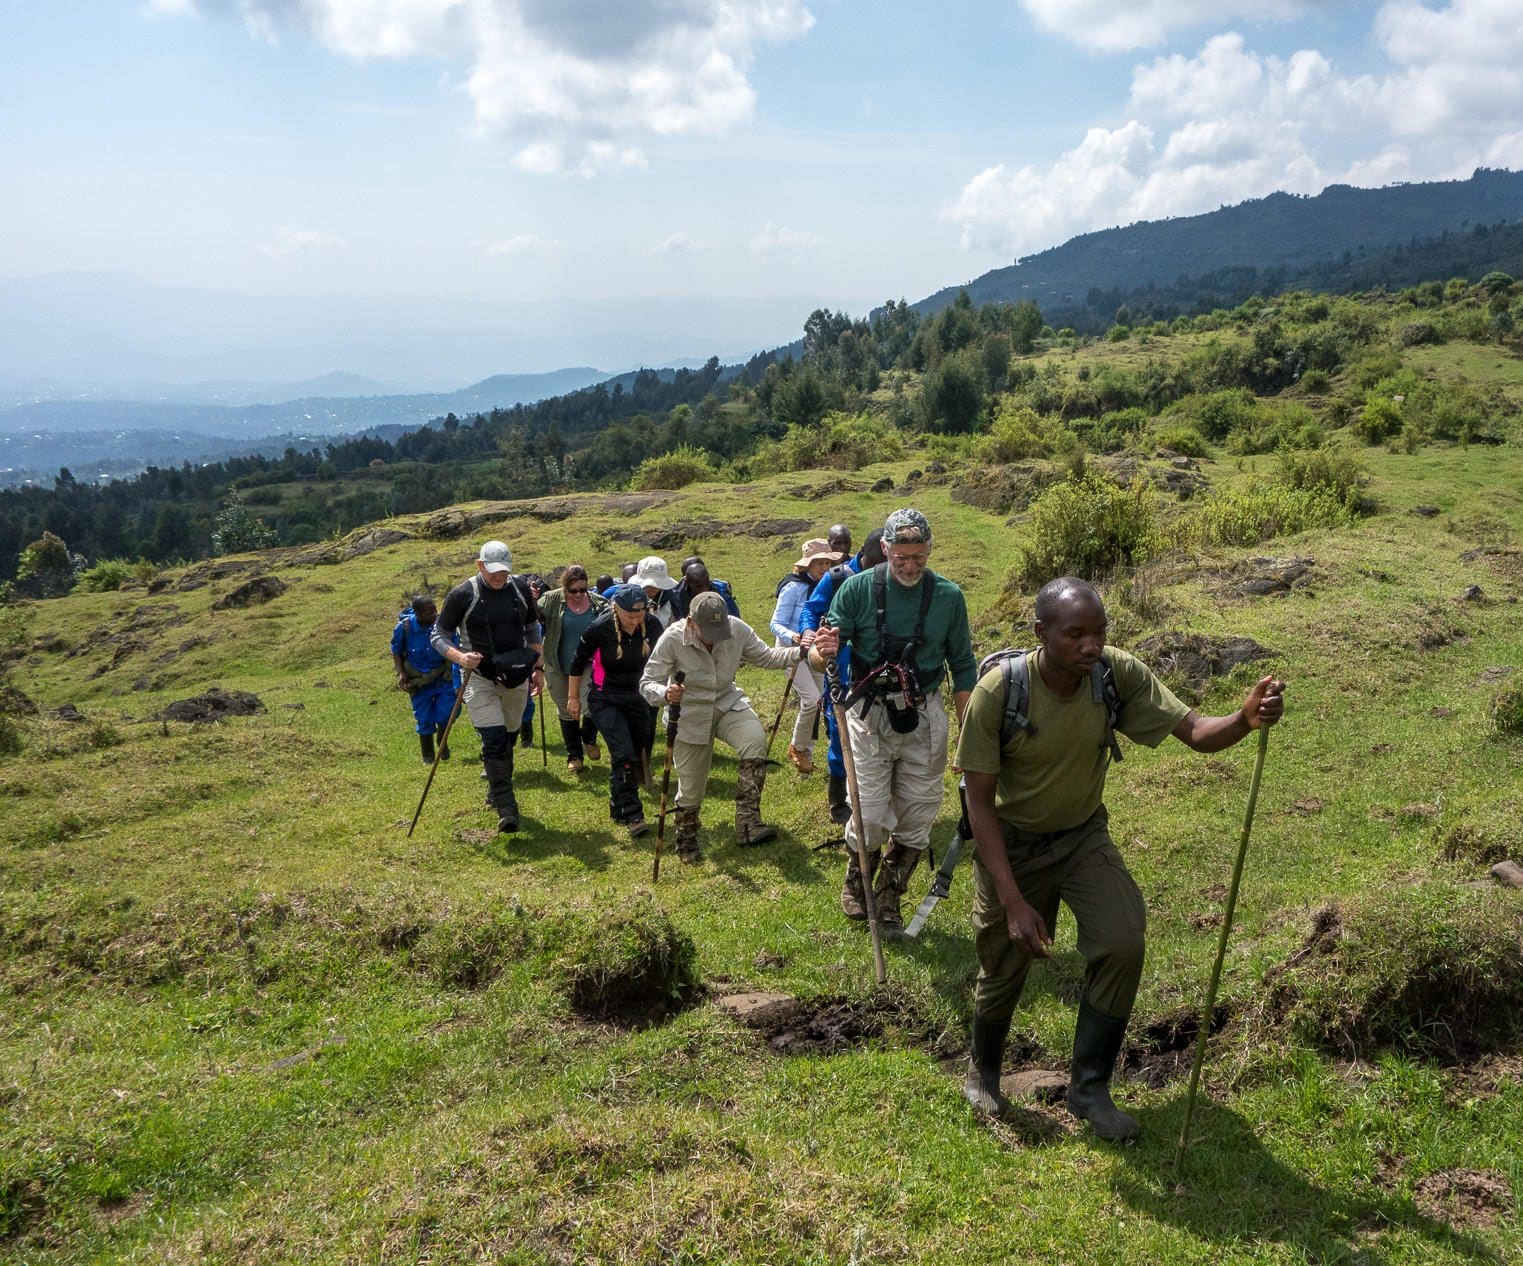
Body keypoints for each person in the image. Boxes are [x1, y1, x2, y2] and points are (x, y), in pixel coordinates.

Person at [954, 576, 1285, 1141]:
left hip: (1083, 837)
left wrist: (1244, 718)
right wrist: (1012, 900)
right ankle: (984, 1071)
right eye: (1075, 634)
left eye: (1099, 632)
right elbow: (978, 805)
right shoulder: (998, 692)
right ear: (1041, 633)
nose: (1090, 645)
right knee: (1007, 964)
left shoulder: (1114, 674)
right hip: (1012, 845)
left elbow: (1198, 733)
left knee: (1124, 938)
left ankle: (1089, 1088)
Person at [810, 509, 977, 935]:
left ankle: (888, 894)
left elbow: (963, 667)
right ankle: (857, 877)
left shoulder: (948, 596)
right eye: (901, 557)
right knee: (868, 813)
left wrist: (969, 737)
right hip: (869, 714)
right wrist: (822, 650)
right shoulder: (855, 589)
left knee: (918, 815)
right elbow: (821, 651)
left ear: (929, 551)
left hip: (925, 713)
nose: (909, 566)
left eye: (918, 557)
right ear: (885, 550)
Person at [640, 591, 808, 863]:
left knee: (755, 742)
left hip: (727, 702)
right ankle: (686, 838)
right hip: (689, 712)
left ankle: (748, 823)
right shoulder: (672, 638)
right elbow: (647, 683)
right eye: (708, 630)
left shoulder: (736, 628)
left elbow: (766, 657)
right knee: (692, 786)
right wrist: (665, 692)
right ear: (691, 622)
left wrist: (801, 652)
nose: (714, 636)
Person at [432, 540, 544, 834]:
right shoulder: (463, 594)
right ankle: (508, 809)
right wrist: (460, 657)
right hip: (479, 677)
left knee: (508, 737)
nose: (499, 578)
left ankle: (495, 791)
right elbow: (438, 634)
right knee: (493, 739)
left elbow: (532, 627)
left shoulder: (519, 589)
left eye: (504, 572)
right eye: (493, 572)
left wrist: (538, 667)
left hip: (517, 676)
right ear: (479, 565)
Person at [801, 528, 886, 825]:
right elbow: (811, 610)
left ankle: (872, 792)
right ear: (864, 553)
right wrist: (809, 634)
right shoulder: (837, 578)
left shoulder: (891, 578)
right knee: (839, 731)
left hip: (876, 667)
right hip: (841, 666)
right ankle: (838, 797)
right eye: (875, 563)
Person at [566, 585, 666, 837]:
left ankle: (617, 803)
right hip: (605, 697)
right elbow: (577, 663)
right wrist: (573, 698)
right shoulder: (600, 629)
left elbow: (666, 659)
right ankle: (634, 814)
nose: (635, 620)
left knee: (633, 751)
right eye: (629, 615)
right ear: (616, 609)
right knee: (623, 753)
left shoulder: (653, 627)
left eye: (640, 614)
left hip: (640, 697)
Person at [768, 538, 844, 774]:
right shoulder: (793, 587)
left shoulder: (830, 585)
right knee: (811, 699)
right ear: (806, 565)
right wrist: (794, 637)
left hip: (814, 651)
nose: (823, 568)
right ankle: (797, 748)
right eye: (818, 563)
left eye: (826, 563)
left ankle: (806, 755)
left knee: (820, 699)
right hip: (790, 651)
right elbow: (775, 623)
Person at [539, 564, 608, 771]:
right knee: (567, 711)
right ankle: (574, 756)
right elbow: (532, 615)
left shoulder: (599, 603)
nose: (578, 594)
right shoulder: (551, 600)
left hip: (589, 664)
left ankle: (588, 739)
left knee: (591, 707)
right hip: (558, 664)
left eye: (583, 589)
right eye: (573, 590)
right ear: (564, 587)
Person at [391, 595, 459, 764]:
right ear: (418, 613)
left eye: (435, 609)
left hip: (444, 677)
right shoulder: (404, 628)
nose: (434, 614)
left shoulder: (443, 624)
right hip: (419, 681)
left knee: (448, 713)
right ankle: (428, 757)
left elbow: (456, 647)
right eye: (429, 612)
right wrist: (401, 673)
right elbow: (396, 650)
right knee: (424, 718)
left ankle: (442, 741)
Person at [518, 573, 547, 749]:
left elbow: (537, 634)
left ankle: (526, 737)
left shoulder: (537, 610)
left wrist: (539, 667)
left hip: (529, 660)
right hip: (508, 660)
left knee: (526, 701)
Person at [670, 560, 741, 621]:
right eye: (698, 587)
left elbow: (734, 618)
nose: (705, 590)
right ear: (688, 583)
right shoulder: (676, 598)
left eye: (707, 584)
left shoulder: (721, 590)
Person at [633, 555, 679, 630]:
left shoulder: (671, 600)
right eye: (649, 586)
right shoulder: (630, 599)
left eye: (656, 585)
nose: (653, 588)